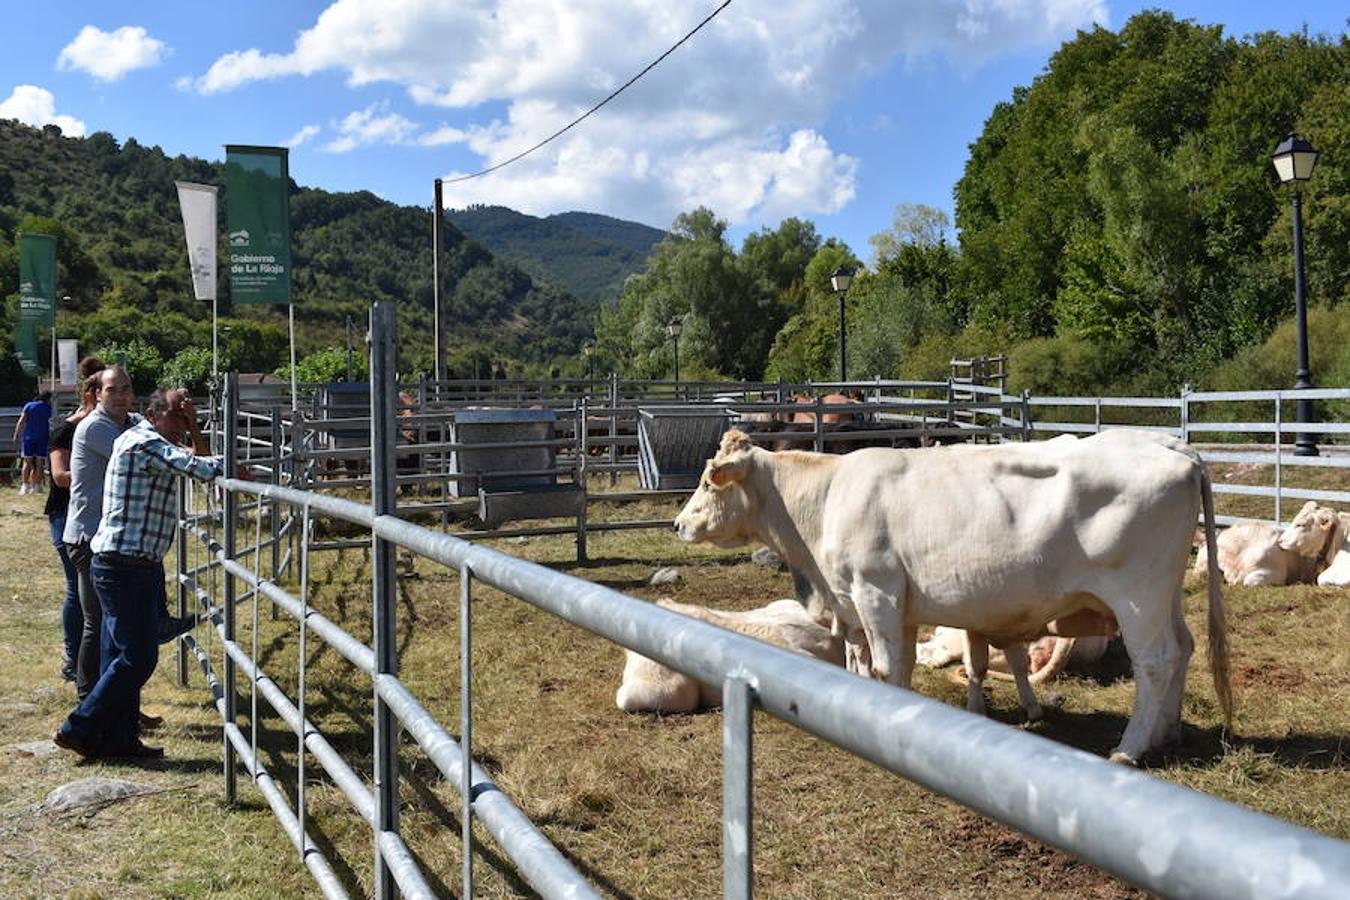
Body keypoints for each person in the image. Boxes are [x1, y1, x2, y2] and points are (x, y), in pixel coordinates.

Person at [54, 389, 233, 759]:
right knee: (138, 656)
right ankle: (80, 726)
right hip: (124, 565)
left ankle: (117, 739)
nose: (181, 423)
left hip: (133, 563)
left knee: (120, 654)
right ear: (153, 415)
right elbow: (199, 468)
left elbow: (192, 458)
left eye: (186, 417)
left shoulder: (146, 438)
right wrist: (233, 466)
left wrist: (194, 426)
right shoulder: (145, 442)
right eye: (176, 415)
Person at [47, 372, 104, 682]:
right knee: (76, 589)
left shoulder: (111, 429)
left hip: (94, 517)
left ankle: (86, 659)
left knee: (91, 594)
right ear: (91, 394)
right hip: (65, 515)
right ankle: (73, 656)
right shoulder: (64, 429)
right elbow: (59, 476)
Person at [13, 390, 53, 494]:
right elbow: (50, 420)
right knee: (39, 463)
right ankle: (37, 486)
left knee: (27, 462)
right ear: (48, 399)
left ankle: (25, 486)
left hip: (28, 437)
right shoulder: (47, 407)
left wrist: (16, 434)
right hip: (42, 437)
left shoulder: (28, 405)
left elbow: (21, 421)